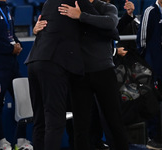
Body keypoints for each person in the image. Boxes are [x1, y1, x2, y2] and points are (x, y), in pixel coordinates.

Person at [24, 0, 101, 150]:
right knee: (55, 121)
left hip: (34, 61)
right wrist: (82, 16)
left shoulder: (48, 2)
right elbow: (107, 27)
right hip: (53, 63)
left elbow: (47, 26)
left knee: (40, 121)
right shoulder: (79, 1)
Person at [58, 0, 129, 150]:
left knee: (114, 120)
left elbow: (110, 23)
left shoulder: (107, 7)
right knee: (80, 125)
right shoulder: (71, 7)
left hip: (104, 71)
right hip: (79, 74)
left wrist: (81, 16)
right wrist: (39, 30)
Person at [0, 0, 33, 150]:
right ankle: (2, 142)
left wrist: (17, 43)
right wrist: (10, 49)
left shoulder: (6, 8)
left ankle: (21, 141)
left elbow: (10, 34)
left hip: (12, 65)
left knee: (22, 100)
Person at [137, 0, 162, 149]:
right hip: (154, 65)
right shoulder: (150, 11)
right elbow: (141, 39)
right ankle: (152, 137)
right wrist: (147, 60)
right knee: (153, 102)